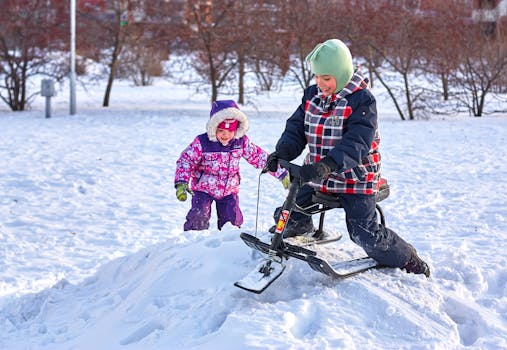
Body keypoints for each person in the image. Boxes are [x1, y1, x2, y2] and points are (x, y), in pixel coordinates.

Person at [267, 39, 430, 277]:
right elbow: (296, 129)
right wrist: (282, 153)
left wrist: (329, 165)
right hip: (318, 174)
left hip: (355, 178)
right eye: (317, 77)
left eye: (327, 78)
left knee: (363, 232)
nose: (320, 84)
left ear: (341, 74)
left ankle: (406, 256)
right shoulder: (312, 96)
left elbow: (357, 142)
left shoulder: (361, 101)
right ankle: (301, 224)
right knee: (289, 211)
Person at [174, 99, 290, 231]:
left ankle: (228, 244)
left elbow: (259, 157)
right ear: (213, 127)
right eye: (221, 130)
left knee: (232, 220)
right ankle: (192, 240)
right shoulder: (202, 142)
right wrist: (181, 182)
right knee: (198, 216)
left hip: (229, 190)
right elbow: (186, 160)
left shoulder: (240, 142)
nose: (226, 135)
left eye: (230, 131)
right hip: (203, 189)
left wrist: (281, 173)